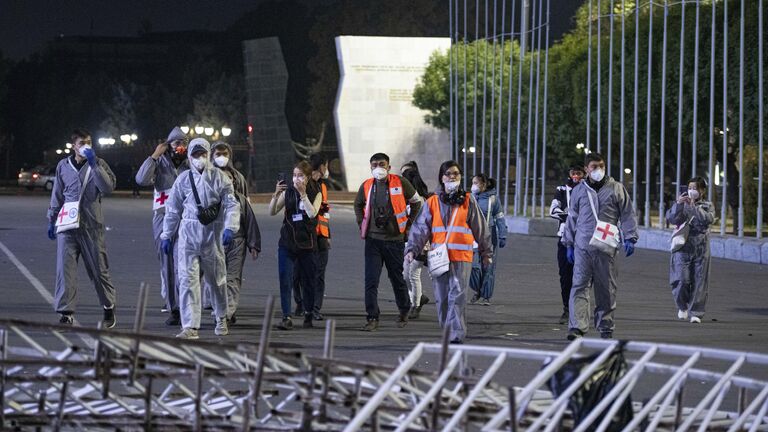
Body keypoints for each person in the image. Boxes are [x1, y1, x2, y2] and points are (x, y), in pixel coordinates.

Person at [160, 138, 240, 339]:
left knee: (217, 280)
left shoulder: (220, 178)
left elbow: (232, 203)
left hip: (212, 235)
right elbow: (172, 210)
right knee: (187, 281)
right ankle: (190, 326)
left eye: (203, 154)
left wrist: (230, 227)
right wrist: (167, 235)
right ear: (189, 156)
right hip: (188, 236)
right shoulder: (183, 180)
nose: (200, 158)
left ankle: (221, 317)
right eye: (195, 155)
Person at [406, 160, 492, 344]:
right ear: (441, 177)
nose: (452, 177)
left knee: (458, 295)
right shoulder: (432, 202)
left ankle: (456, 334)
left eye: (456, 174)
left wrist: (487, 253)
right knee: (442, 298)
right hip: (439, 258)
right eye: (448, 174)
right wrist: (412, 248)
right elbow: (421, 228)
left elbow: (480, 228)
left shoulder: (468, 201)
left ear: (461, 177)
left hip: (462, 256)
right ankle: (447, 329)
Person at [562, 152, 638, 340]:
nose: (599, 170)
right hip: (583, 248)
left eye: (601, 166)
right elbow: (572, 218)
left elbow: (627, 213)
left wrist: (630, 237)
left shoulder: (616, 188)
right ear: (586, 169)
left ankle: (605, 325)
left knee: (606, 289)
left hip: (606, 248)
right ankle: (577, 327)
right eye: (594, 167)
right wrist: (569, 243)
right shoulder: (579, 190)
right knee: (579, 286)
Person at [47, 128, 118, 328]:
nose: (86, 146)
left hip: (92, 225)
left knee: (98, 269)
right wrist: (51, 219)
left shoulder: (99, 164)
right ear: (73, 146)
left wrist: (94, 165)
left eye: (89, 142)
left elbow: (107, 188)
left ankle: (108, 307)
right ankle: (66, 311)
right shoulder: (63, 166)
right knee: (65, 270)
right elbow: (57, 194)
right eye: (82, 143)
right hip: (67, 226)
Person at [354, 153, 422, 331]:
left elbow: (417, 202)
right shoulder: (367, 186)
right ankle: (372, 317)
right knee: (371, 280)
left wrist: (408, 226)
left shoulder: (400, 183)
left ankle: (404, 309)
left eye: (382, 164)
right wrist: (362, 223)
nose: (378, 168)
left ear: (389, 167)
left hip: (394, 240)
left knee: (396, 278)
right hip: (373, 241)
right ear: (370, 167)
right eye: (375, 165)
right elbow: (357, 204)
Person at [135, 127, 188, 326]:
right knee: (167, 263)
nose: (180, 147)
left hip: (185, 219)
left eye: (183, 143)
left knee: (183, 263)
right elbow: (141, 179)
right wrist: (154, 156)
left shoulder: (190, 164)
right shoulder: (160, 162)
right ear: (168, 145)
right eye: (176, 143)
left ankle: (186, 305)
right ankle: (174, 308)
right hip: (162, 218)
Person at [208, 141, 261, 325]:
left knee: (232, 277)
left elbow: (248, 214)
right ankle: (220, 308)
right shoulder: (205, 183)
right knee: (216, 278)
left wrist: (253, 243)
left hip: (237, 240)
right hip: (214, 239)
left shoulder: (239, 187)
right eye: (218, 153)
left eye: (225, 153)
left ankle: (226, 313)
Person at [269, 161, 322, 330]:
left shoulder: (316, 192)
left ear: (307, 178)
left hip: (307, 243)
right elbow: (272, 211)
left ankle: (308, 313)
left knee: (308, 280)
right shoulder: (289, 191)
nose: (296, 178)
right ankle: (286, 316)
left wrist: (303, 194)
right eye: (294, 175)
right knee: (285, 278)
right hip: (288, 242)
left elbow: (312, 213)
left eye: (300, 175)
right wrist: (276, 195)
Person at [665, 176, 715, 324]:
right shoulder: (682, 202)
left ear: (702, 190)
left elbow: (707, 220)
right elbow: (672, 218)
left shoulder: (707, 205)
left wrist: (694, 207)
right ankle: (682, 306)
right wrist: (678, 205)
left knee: (700, 281)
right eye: (690, 188)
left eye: (695, 188)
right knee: (680, 279)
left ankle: (696, 313)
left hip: (701, 246)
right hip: (682, 246)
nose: (692, 191)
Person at [293, 153, 331, 320]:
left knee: (318, 274)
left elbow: (325, 213)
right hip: (305, 235)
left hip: (320, 236)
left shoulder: (322, 186)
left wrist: (328, 234)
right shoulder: (305, 184)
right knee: (298, 273)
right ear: (322, 166)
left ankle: (314, 307)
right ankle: (301, 303)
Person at [548, 165, 585, 324]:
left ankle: (579, 310)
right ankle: (567, 308)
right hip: (564, 237)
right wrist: (571, 218)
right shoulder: (562, 190)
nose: (576, 176)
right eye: (573, 173)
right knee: (565, 275)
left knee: (584, 275)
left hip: (584, 237)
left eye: (579, 173)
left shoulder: (588, 190)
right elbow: (553, 210)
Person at [468, 174, 507, 306]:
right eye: (472, 182)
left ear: (484, 185)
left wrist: (503, 234)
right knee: (474, 265)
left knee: (488, 266)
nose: (473, 185)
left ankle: (486, 295)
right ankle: (477, 290)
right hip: (472, 236)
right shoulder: (470, 198)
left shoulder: (493, 199)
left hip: (489, 235)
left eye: (476, 183)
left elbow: (499, 217)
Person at [400, 161, 431, 319]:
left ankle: (416, 305)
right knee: (404, 275)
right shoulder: (405, 199)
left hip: (419, 242)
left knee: (413, 274)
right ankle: (420, 298)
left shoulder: (421, 200)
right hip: (406, 241)